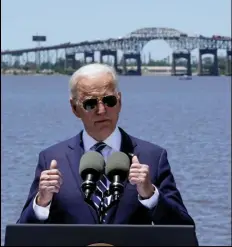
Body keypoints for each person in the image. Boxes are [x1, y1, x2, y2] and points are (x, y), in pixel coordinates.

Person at [17, 63, 196, 228]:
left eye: (109, 101)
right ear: (74, 108)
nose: (101, 110)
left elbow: (184, 231)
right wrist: (42, 202)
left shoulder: (153, 157)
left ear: (120, 101)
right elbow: (21, 237)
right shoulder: (52, 159)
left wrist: (151, 196)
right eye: (90, 103)